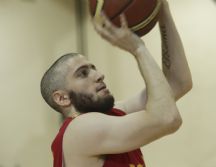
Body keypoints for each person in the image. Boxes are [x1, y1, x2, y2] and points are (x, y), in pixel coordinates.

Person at [40, 0, 192, 166]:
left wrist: (162, 11)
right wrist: (138, 49)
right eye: (83, 74)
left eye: (93, 68)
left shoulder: (111, 116)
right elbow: (167, 119)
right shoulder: (80, 129)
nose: (99, 75)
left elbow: (177, 83)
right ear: (62, 98)